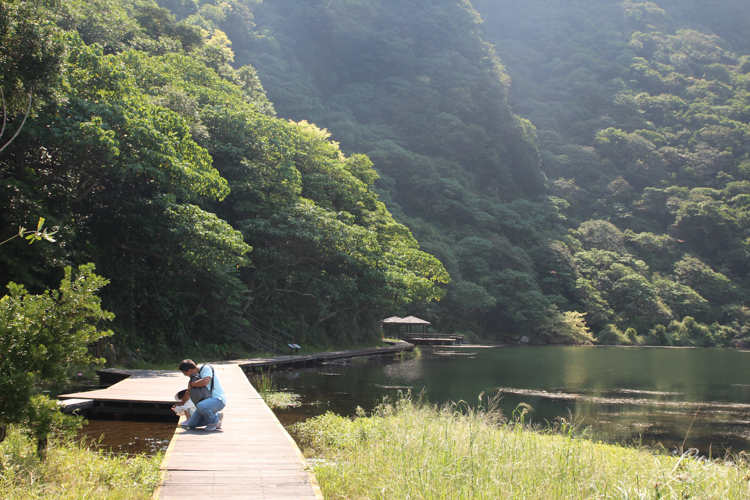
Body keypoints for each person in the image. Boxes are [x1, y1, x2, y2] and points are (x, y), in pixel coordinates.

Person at [174, 359, 226, 431]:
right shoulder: (194, 377)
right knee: (191, 424)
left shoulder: (206, 368)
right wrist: (181, 404)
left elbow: (205, 382)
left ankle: (214, 422)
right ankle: (217, 416)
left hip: (218, 400)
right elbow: (188, 392)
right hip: (205, 403)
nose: (186, 375)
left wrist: (192, 384)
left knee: (200, 405)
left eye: (185, 373)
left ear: (189, 370)